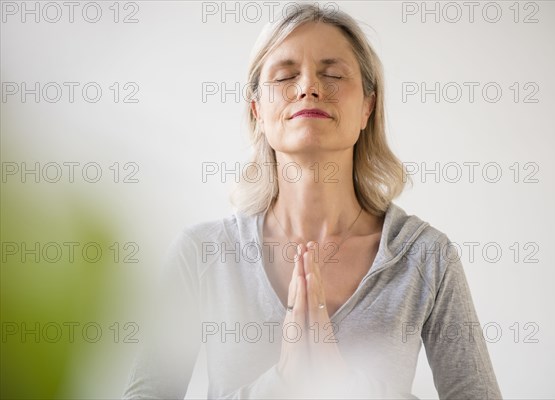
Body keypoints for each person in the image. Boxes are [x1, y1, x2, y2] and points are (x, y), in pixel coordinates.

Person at [123, 4, 503, 399]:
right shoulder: (200, 255)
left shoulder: (426, 257)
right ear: (257, 110)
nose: (309, 87)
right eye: (285, 76)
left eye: (334, 75)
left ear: (367, 108)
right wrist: (280, 385)